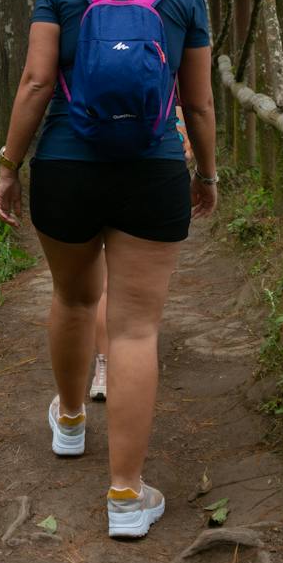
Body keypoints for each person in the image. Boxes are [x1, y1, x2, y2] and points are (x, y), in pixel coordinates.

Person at [0, 0, 219, 540]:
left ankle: (68, 420)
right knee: (134, 328)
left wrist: (9, 166)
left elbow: (38, 81)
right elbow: (199, 103)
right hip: (152, 168)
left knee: (72, 297)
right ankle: (125, 493)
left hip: (66, 164)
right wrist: (205, 172)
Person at [88, 105, 190, 402]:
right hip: (152, 177)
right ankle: (129, 362)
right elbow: (188, 135)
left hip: (85, 168)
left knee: (101, 287)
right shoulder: (167, 74)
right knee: (136, 302)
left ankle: (104, 367)